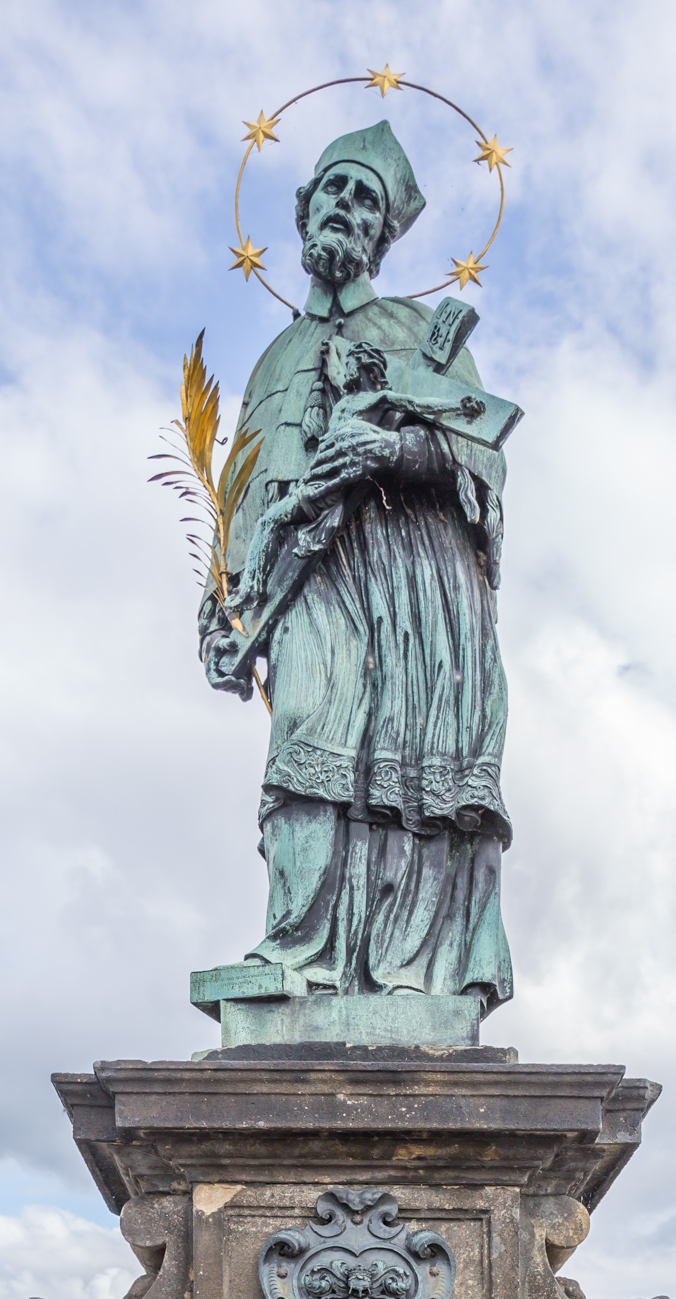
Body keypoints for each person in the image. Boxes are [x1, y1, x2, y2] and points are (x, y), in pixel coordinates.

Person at [202, 120, 513, 1014]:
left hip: (407, 581)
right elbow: (244, 489)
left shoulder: (422, 330)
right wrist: (222, 608)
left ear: (384, 232)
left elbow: (480, 454)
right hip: (303, 575)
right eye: (333, 189)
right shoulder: (275, 357)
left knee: (402, 762)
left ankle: (405, 971)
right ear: (303, 208)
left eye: (365, 199)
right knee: (306, 732)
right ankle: (299, 949)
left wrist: (387, 454)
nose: (346, 206)